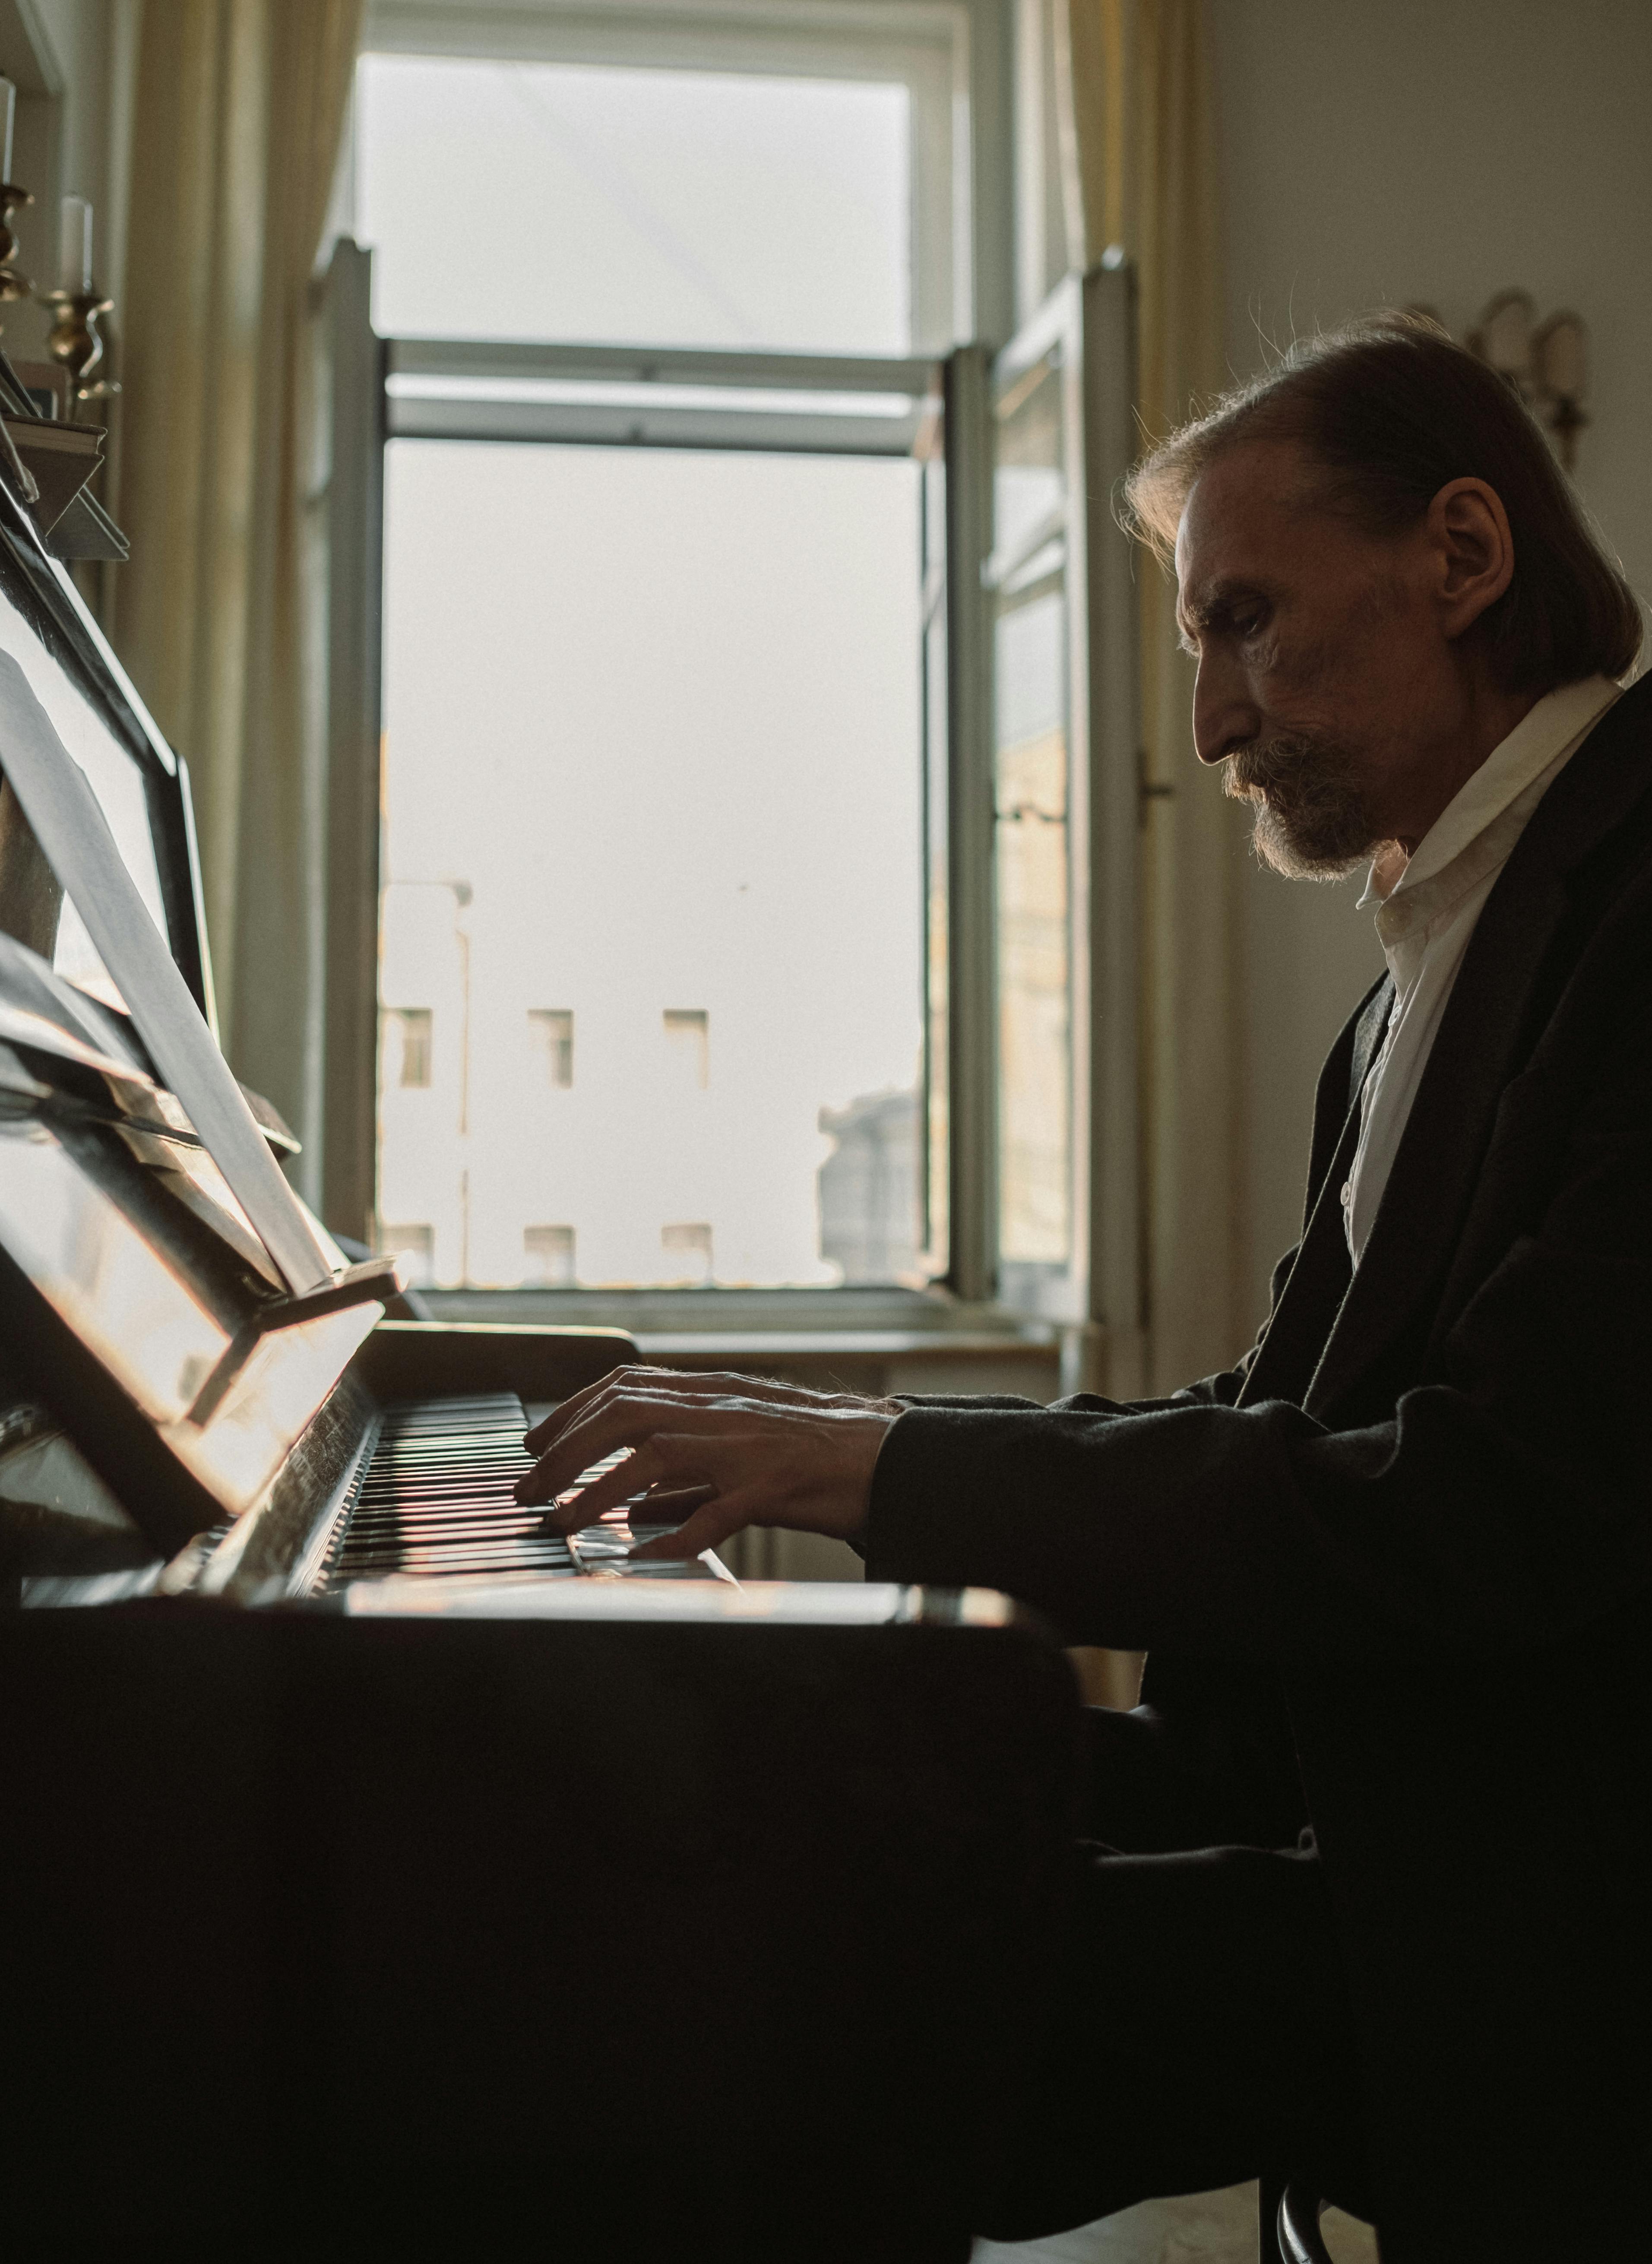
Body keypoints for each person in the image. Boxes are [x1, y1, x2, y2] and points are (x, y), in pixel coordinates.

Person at [516, 315, 1652, 2260]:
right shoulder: (1417, 979)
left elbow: (1479, 1513)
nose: (1208, 720)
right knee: (760, 1821)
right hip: (1375, 1814)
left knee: (766, 2012)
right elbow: (1272, 1434)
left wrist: (874, 1467)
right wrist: (866, 1452)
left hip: (1538, 1917)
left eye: (1247, 621)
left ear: (1463, 559)